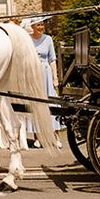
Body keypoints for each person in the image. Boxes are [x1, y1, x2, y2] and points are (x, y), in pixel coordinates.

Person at [25, 17, 62, 148]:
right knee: (35, 103)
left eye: (42, 25)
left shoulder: (48, 39)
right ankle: (37, 136)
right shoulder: (27, 39)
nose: (40, 27)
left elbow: (52, 59)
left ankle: (56, 135)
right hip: (33, 73)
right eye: (38, 25)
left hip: (45, 72)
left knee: (51, 103)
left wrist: (55, 77)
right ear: (33, 26)